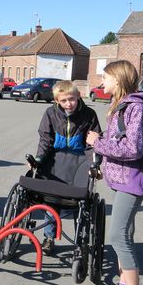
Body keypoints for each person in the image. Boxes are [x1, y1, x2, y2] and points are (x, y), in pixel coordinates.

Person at [86, 61, 143, 285]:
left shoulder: (136, 108)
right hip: (121, 180)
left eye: (105, 76)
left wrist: (98, 143)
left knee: (117, 236)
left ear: (118, 79)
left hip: (132, 181)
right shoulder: (121, 106)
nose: (102, 80)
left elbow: (133, 149)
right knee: (124, 233)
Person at [35, 80, 101, 254]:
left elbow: (93, 144)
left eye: (72, 99)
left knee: (79, 202)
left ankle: (80, 240)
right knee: (51, 199)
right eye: (63, 101)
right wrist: (39, 158)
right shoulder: (50, 113)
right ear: (57, 100)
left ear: (78, 96)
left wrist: (95, 163)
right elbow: (45, 140)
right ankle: (49, 238)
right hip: (55, 161)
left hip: (80, 161)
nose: (68, 104)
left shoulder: (89, 114)